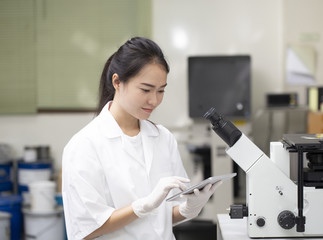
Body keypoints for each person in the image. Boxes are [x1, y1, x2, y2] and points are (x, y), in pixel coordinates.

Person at [62, 37, 222, 240]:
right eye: (145, 90)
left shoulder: (163, 138)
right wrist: (141, 206)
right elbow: (85, 230)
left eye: (161, 90)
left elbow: (161, 217)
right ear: (117, 82)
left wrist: (189, 208)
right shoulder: (84, 145)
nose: (154, 100)